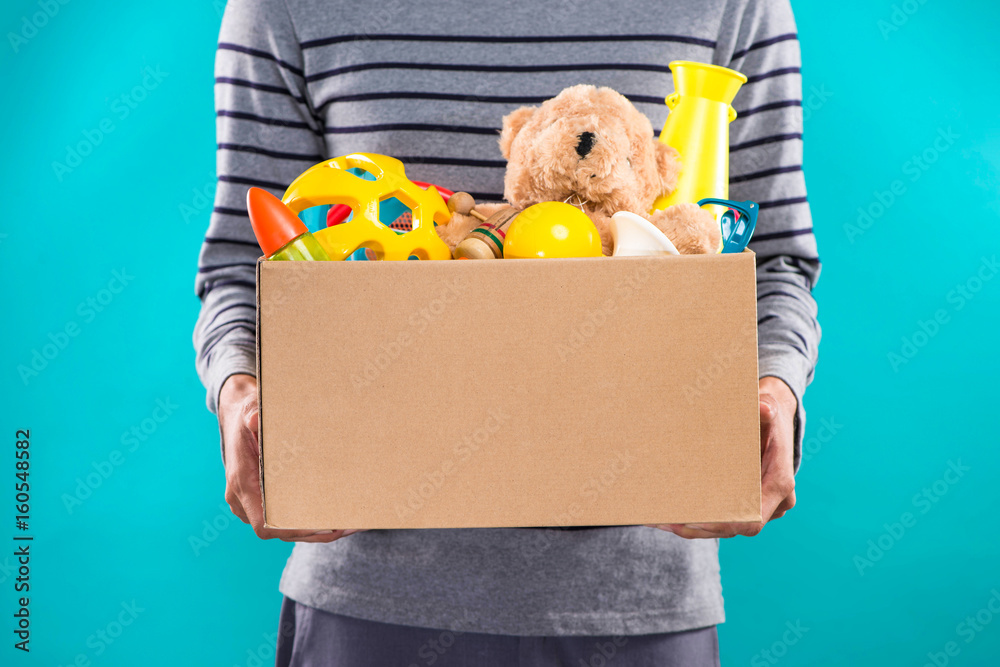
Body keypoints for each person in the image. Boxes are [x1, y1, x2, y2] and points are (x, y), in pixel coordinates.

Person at [194, 0, 820, 664]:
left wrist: (775, 389)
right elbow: (249, 261)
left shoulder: (738, 5)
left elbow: (769, 255)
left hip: (639, 603)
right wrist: (240, 391)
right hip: (371, 600)